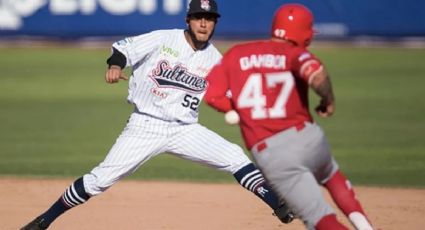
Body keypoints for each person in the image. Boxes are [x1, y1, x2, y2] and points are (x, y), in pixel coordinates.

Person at [20, 0, 294, 229]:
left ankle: (279, 206)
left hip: (185, 130)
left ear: (215, 23)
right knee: (98, 181)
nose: (203, 23)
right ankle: (43, 221)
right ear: (188, 19)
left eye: (209, 18)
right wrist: (115, 65)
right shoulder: (164, 38)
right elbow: (122, 48)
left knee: (234, 156)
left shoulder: (216, 60)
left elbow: (237, 97)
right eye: (199, 17)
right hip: (145, 126)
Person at [204, 3, 376, 230]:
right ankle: (367, 227)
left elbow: (212, 95)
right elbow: (317, 74)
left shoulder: (237, 54)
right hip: (309, 137)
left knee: (320, 218)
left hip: (274, 155)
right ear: (304, 33)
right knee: (332, 177)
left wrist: (236, 110)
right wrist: (328, 100)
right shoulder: (295, 53)